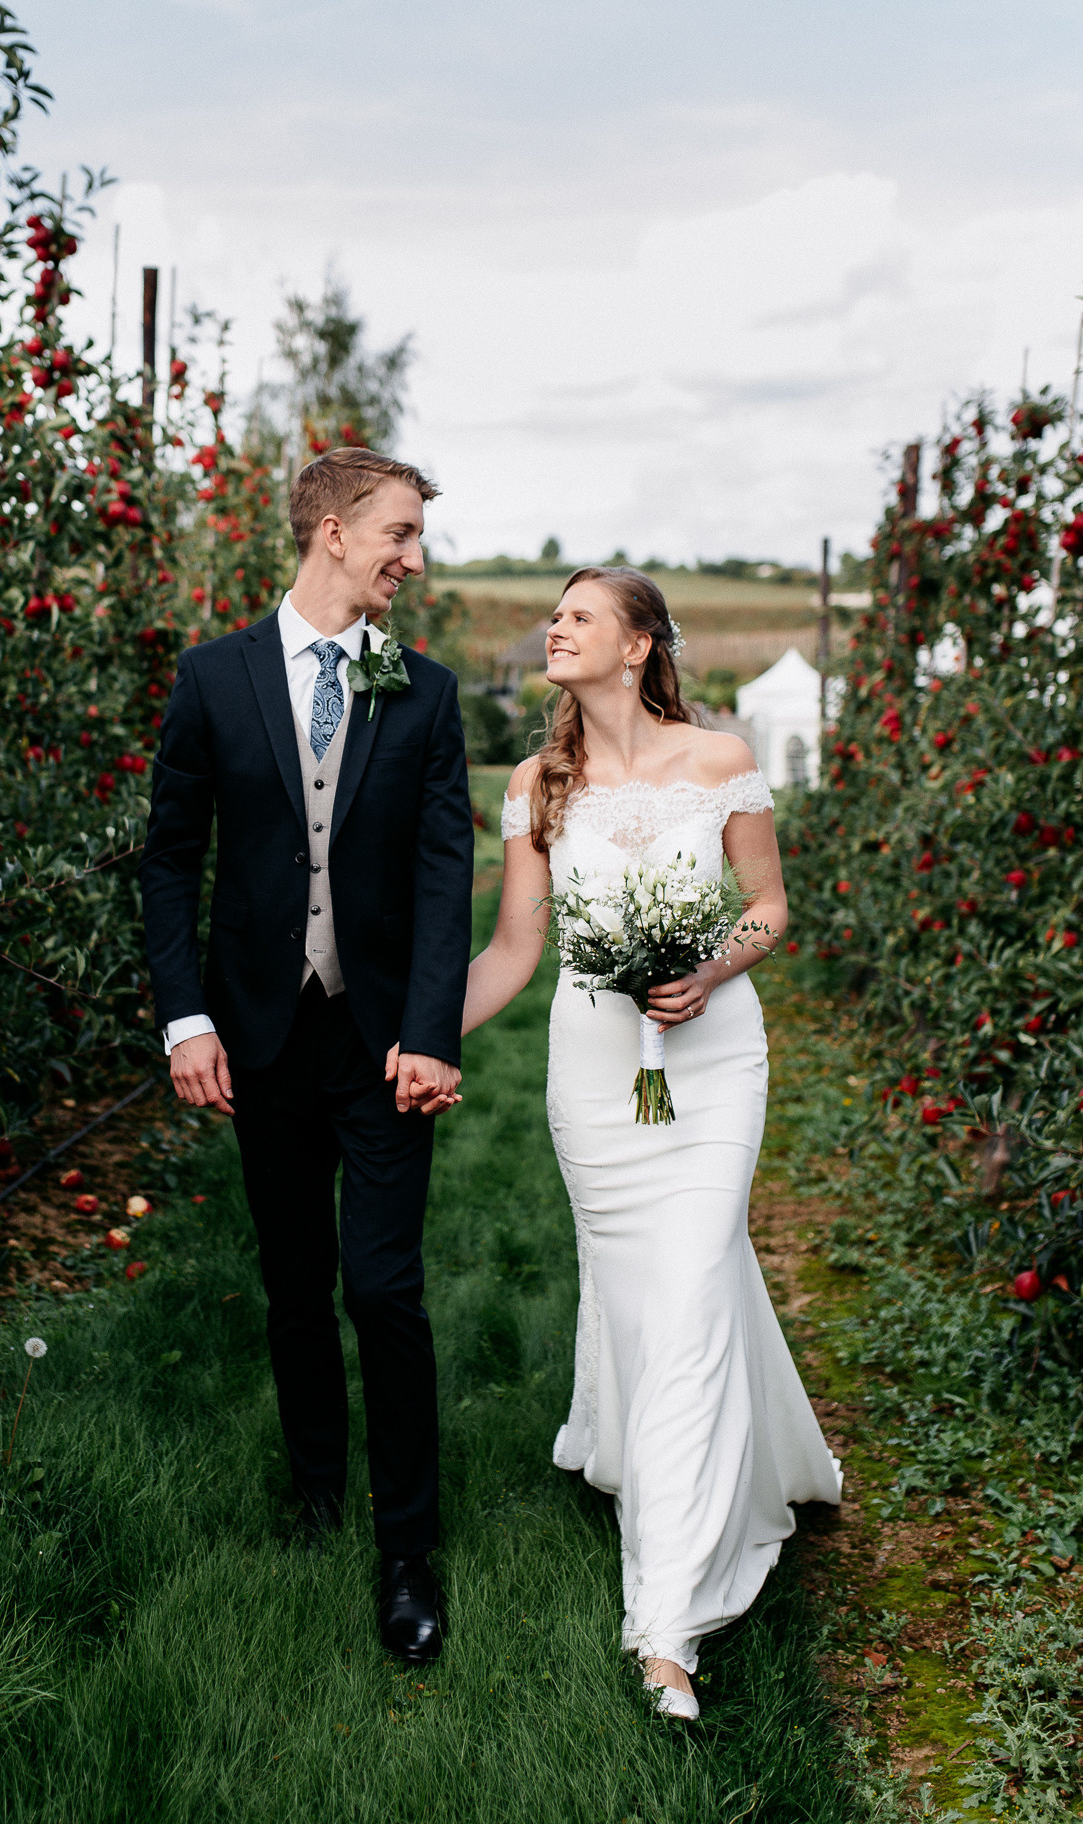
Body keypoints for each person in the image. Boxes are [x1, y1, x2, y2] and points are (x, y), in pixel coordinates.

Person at [462, 566, 841, 1720]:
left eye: (578, 615)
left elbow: (769, 905)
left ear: (637, 647)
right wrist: (408, 1038)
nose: (553, 626)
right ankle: (756, 1462)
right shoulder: (540, 783)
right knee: (654, 1297)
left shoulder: (718, 761)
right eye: (554, 612)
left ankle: (665, 1624)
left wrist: (712, 965)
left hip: (715, 1062)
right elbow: (515, 953)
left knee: (687, 1289)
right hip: (593, 1075)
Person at [139, 448, 473, 1666]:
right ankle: (317, 1492)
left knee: (384, 1288)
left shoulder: (422, 694)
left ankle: (404, 1548)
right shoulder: (212, 678)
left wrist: (430, 1033)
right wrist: (186, 1018)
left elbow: (448, 876)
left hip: (381, 1040)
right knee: (293, 1287)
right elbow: (173, 859)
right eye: (399, 532)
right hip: (259, 1033)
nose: (414, 556)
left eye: (418, 535)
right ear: (331, 531)